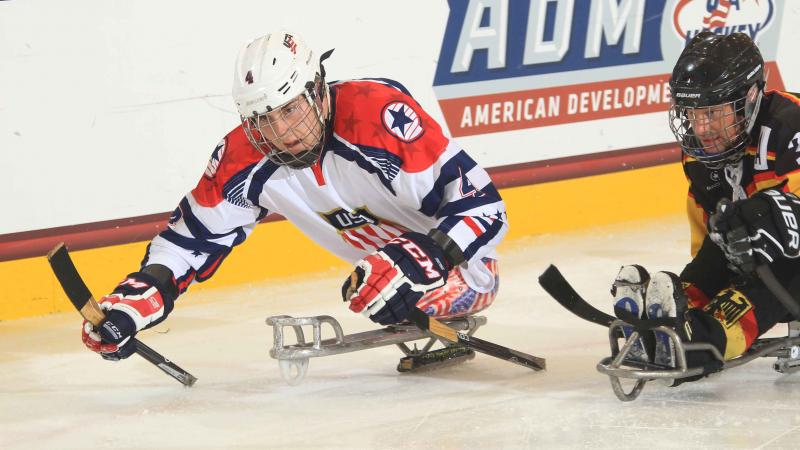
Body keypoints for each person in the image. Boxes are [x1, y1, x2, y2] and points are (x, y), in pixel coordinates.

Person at [82, 31, 508, 361]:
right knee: (375, 287)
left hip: (460, 261)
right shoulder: (242, 156)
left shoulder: (376, 115)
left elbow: (484, 206)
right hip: (378, 266)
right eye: (263, 118)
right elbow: (190, 241)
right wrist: (142, 296)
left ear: (318, 90)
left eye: (289, 109)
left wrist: (430, 254)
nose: (281, 132)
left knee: (419, 287)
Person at [612, 31, 800, 382]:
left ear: (750, 97)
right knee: (720, 249)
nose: (702, 127)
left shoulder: (791, 126)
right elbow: (708, 243)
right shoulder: (698, 153)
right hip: (763, 259)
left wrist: (760, 217)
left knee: (769, 244)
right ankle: (662, 323)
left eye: (712, 112)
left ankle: (701, 340)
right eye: (692, 113)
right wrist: (700, 284)